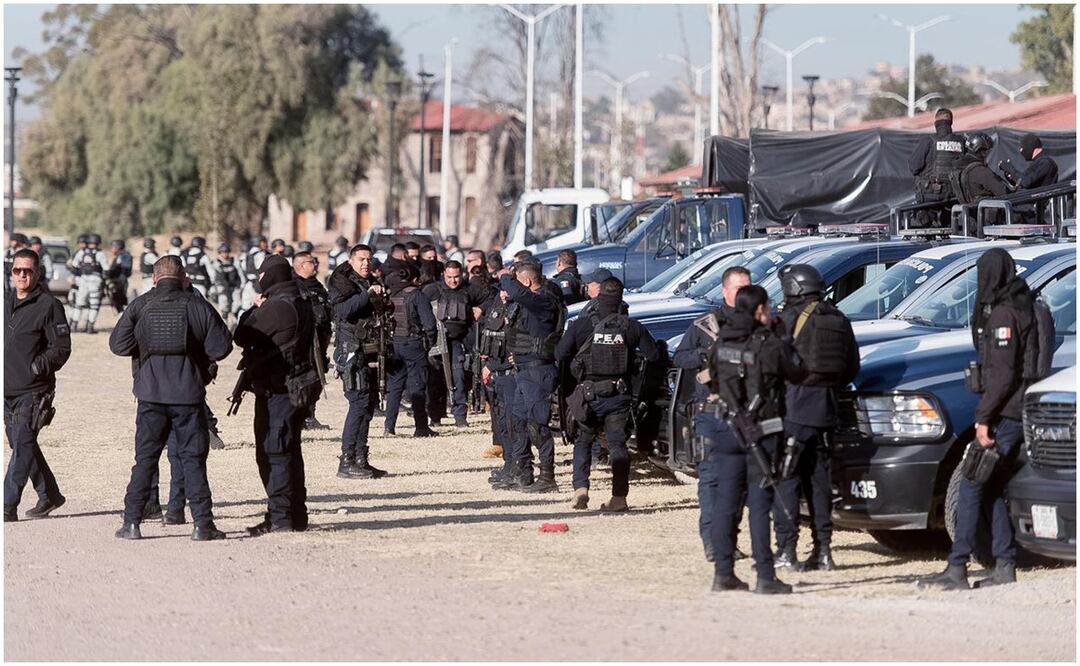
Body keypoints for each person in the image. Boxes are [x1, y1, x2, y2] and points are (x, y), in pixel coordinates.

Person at [919, 248, 1050, 591]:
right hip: (1020, 408)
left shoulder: (1005, 315)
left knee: (971, 483)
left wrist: (982, 419)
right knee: (991, 486)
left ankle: (957, 566)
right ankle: (1004, 564)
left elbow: (1003, 376)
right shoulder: (1025, 304)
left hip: (1005, 413)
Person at [108, 255, 232, 541]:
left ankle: (131, 523)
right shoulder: (197, 306)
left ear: (154, 278)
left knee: (145, 460)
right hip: (187, 395)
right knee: (193, 460)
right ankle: (202, 524)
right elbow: (222, 347)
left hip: (150, 395)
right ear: (183, 277)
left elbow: (118, 344)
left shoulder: (141, 305)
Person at [702, 284, 806, 594]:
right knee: (760, 505)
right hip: (761, 433)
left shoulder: (722, 342)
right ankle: (765, 575)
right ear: (759, 310)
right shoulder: (768, 345)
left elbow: (713, 379)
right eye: (768, 307)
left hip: (727, 431)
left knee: (726, 503)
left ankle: (723, 573)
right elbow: (798, 372)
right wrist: (782, 337)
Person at [772, 264, 860, 571]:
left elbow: (775, 364)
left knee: (786, 479)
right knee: (819, 482)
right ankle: (823, 550)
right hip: (827, 411)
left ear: (793, 288)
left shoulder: (788, 319)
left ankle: (786, 550)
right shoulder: (838, 319)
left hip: (794, 409)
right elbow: (851, 367)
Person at [233, 255, 319, 535]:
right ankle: (294, 515)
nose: (260, 281)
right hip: (293, 387)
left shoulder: (277, 306)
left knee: (275, 451)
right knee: (290, 451)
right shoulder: (299, 300)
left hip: (279, 389)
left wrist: (252, 309)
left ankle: (282, 518)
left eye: (262, 276)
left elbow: (242, 336)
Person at [556, 277, 658, 511]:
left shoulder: (580, 325)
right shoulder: (632, 327)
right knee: (617, 445)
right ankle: (619, 498)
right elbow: (653, 355)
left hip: (588, 395)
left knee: (583, 441)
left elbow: (561, 353)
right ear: (621, 299)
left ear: (598, 295)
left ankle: (580, 490)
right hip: (618, 395)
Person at [673, 266, 751, 561]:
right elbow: (680, 358)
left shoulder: (756, 324)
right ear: (725, 291)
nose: (743, 294)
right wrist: (707, 356)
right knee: (712, 480)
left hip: (744, 414)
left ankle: (729, 539)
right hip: (710, 413)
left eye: (748, 288)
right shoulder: (706, 325)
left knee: (741, 483)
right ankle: (712, 541)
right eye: (738, 288)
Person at [4, 249, 72, 522]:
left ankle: (7, 506)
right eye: (18, 270)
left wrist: (38, 366)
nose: (23, 275)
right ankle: (50, 496)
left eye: (28, 270)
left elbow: (62, 348)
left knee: (22, 445)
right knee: (23, 445)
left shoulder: (49, 306)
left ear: (38, 273)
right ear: (11, 273)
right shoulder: (6, 301)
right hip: (7, 389)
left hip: (33, 390)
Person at [497, 262, 565, 492]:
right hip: (524, 370)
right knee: (518, 421)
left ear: (526, 282)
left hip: (538, 372)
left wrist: (506, 277)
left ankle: (548, 477)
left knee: (538, 424)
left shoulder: (544, 301)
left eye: (516, 282)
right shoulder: (528, 303)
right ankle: (522, 471)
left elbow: (517, 292)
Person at [328, 244, 390, 478]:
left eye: (369, 259)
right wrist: (368, 295)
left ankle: (361, 458)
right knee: (358, 404)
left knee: (367, 405)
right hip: (351, 350)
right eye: (362, 259)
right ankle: (347, 460)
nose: (366, 263)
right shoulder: (341, 282)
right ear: (351, 260)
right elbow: (344, 311)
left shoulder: (367, 281)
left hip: (369, 350)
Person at [383, 263, 439, 437]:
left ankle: (389, 427)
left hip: (394, 344)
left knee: (394, 387)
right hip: (414, 344)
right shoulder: (417, 295)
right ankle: (421, 427)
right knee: (417, 385)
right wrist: (430, 342)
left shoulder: (392, 295)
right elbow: (430, 324)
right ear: (415, 279)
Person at [426, 260, 475, 427]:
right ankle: (435, 416)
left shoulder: (468, 291)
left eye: (456, 277)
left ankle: (460, 417)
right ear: (443, 275)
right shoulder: (432, 290)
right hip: (436, 342)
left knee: (459, 378)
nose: (453, 281)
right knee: (435, 379)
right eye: (449, 277)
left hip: (457, 342)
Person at [292, 251, 332, 431]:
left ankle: (310, 415)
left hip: (321, 339)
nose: (315, 265)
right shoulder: (294, 287)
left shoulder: (316, 285)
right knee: (306, 380)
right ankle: (300, 416)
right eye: (311, 262)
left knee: (318, 378)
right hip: (305, 343)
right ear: (301, 265)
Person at [909, 108, 966, 227]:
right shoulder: (961, 142)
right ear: (950, 123)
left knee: (923, 229)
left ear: (936, 124)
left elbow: (914, 166)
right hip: (954, 196)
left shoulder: (928, 141)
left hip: (930, 196)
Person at [70, 233, 110, 334]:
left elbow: (74, 265)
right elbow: (106, 269)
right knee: (94, 305)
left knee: (78, 304)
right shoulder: (100, 254)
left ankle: (74, 325)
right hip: (95, 281)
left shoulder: (81, 253)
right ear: (98, 243)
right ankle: (89, 327)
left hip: (83, 280)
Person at [957, 133, 1009, 205]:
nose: (987, 154)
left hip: (972, 211)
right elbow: (1003, 191)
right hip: (989, 212)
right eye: (986, 151)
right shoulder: (979, 171)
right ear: (981, 151)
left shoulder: (960, 167)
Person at [209, 243, 242, 326]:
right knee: (224, 308)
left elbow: (239, 274)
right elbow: (213, 277)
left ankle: (235, 326)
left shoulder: (234, 261)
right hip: (222, 288)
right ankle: (225, 326)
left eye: (227, 252)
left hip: (233, 287)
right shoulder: (216, 263)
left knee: (236, 307)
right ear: (219, 253)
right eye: (223, 252)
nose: (225, 254)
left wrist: (239, 285)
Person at [240, 235, 269, 311]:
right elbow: (262, 269)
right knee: (259, 307)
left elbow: (243, 268)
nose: (266, 244)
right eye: (264, 242)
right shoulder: (260, 254)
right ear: (258, 243)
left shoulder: (248, 254)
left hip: (248, 283)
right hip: (257, 283)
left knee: (245, 307)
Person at [105, 239, 133, 313]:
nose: (111, 249)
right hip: (117, 282)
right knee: (117, 302)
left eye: (113, 247)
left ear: (118, 247)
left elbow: (124, 270)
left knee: (121, 302)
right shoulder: (119, 256)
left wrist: (111, 272)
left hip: (121, 282)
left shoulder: (124, 256)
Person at [65, 234, 87, 324]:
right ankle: (71, 320)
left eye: (83, 243)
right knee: (72, 300)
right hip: (76, 278)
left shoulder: (87, 254)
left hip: (83, 280)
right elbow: (70, 265)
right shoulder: (77, 253)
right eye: (80, 243)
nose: (82, 245)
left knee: (80, 302)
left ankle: (75, 322)